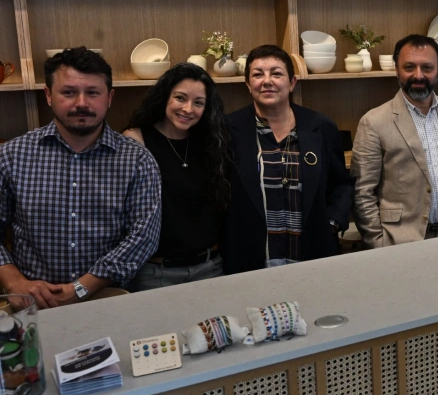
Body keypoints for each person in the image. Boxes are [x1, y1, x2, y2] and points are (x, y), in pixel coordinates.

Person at [0, 47, 161, 308]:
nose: (82, 103)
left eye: (93, 93)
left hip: (110, 299)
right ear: (49, 95)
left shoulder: (137, 161)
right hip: (32, 302)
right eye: (69, 92)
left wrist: (82, 287)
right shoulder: (12, 156)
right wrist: (14, 281)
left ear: (109, 98)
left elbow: (143, 237)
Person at [224, 45, 353, 273]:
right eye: (257, 74)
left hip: (313, 255)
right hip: (250, 257)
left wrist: (331, 224)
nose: (267, 81)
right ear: (247, 85)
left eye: (276, 73)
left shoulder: (321, 127)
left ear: (292, 82)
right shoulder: (227, 131)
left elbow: (341, 184)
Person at [351, 35, 438, 247]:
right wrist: (378, 243)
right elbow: (362, 192)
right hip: (400, 242)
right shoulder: (373, 122)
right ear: (396, 69)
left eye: (427, 68)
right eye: (409, 67)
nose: (418, 75)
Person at [123, 63, 229, 290]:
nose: (188, 109)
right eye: (180, 98)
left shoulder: (211, 142)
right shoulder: (136, 140)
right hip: (156, 273)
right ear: (164, 97)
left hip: (210, 269)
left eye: (198, 103)